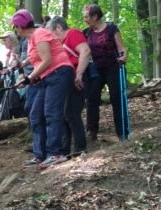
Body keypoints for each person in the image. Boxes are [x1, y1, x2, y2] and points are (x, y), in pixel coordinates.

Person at [11, 9, 74, 168]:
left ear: (20, 26)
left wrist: (29, 78)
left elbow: (47, 60)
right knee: (36, 114)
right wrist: (26, 78)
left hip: (59, 73)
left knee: (52, 112)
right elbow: (39, 63)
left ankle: (55, 154)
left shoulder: (40, 33)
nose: (15, 30)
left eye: (15, 27)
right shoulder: (32, 39)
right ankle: (40, 155)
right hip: (47, 77)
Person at [83, 4, 129, 141]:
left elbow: (121, 48)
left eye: (86, 16)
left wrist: (124, 55)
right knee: (92, 98)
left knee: (117, 98)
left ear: (95, 16)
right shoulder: (86, 32)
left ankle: (122, 132)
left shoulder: (111, 28)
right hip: (95, 69)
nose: (84, 19)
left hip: (113, 67)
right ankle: (92, 131)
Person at [47, 16, 91, 156]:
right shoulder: (61, 43)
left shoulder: (72, 34)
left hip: (79, 76)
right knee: (65, 114)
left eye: (52, 33)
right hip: (67, 79)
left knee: (72, 113)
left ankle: (80, 148)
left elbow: (85, 51)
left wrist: (79, 74)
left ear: (59, 27)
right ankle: (65, 150)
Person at [0, 31, 26, 119]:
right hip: (11, 84)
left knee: (16, 107)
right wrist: (4, 71)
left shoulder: (17, 49)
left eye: (5, 40)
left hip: (18, 84)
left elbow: (17, 64)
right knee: (10, 108)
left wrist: (8, 70)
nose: (3, 42)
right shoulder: (10, 53)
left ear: (11, 40)